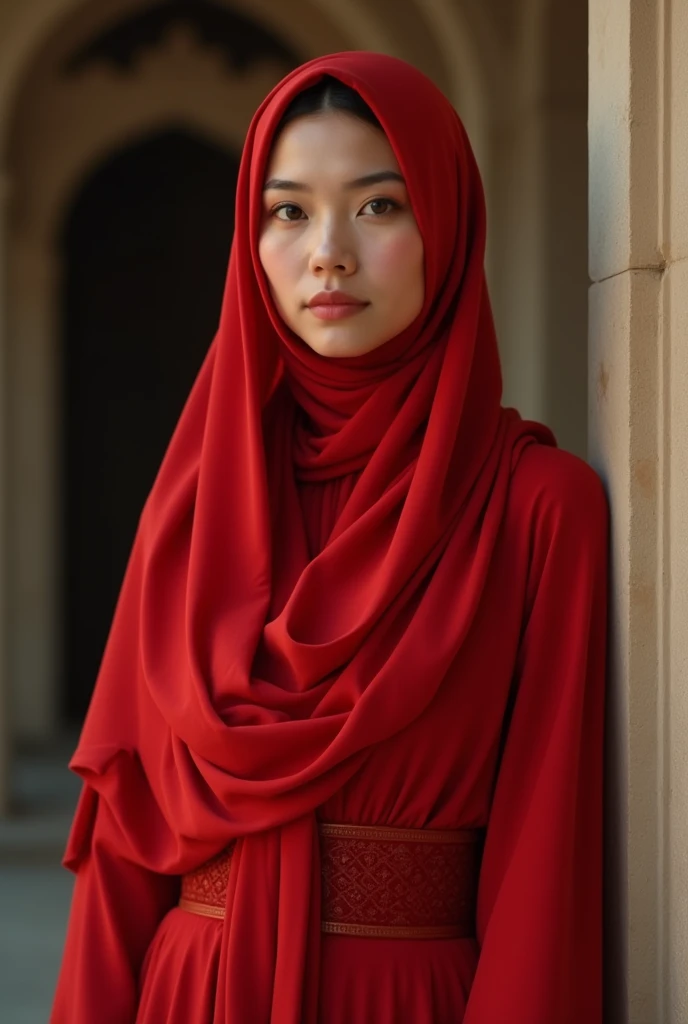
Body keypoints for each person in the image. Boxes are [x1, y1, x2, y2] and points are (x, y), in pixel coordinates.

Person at [50, 51, 608, 1024]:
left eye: (379, 206)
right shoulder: (187, 512)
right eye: (288, 210)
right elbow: (120, 867)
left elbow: (543, 869)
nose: (328, 253)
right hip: (190, 996)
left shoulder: (534, 508)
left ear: (447, 225)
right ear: (248, 240)